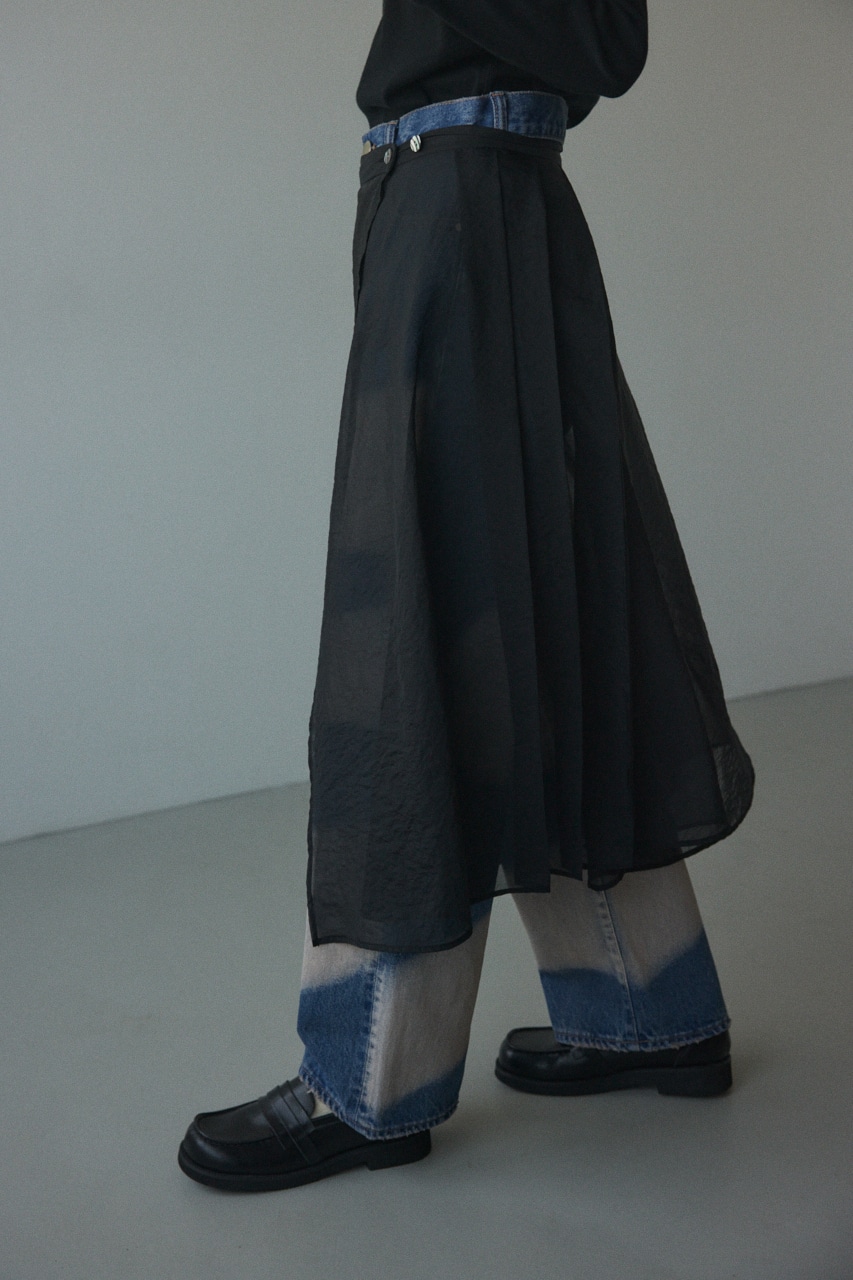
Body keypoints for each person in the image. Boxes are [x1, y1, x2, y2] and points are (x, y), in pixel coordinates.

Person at [178, 0, 755, 1192]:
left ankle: (371, 1076)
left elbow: (605, 46)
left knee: (422, 629)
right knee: (551, 613)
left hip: (463, 200)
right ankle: (647, 1001)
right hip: (473, 200)